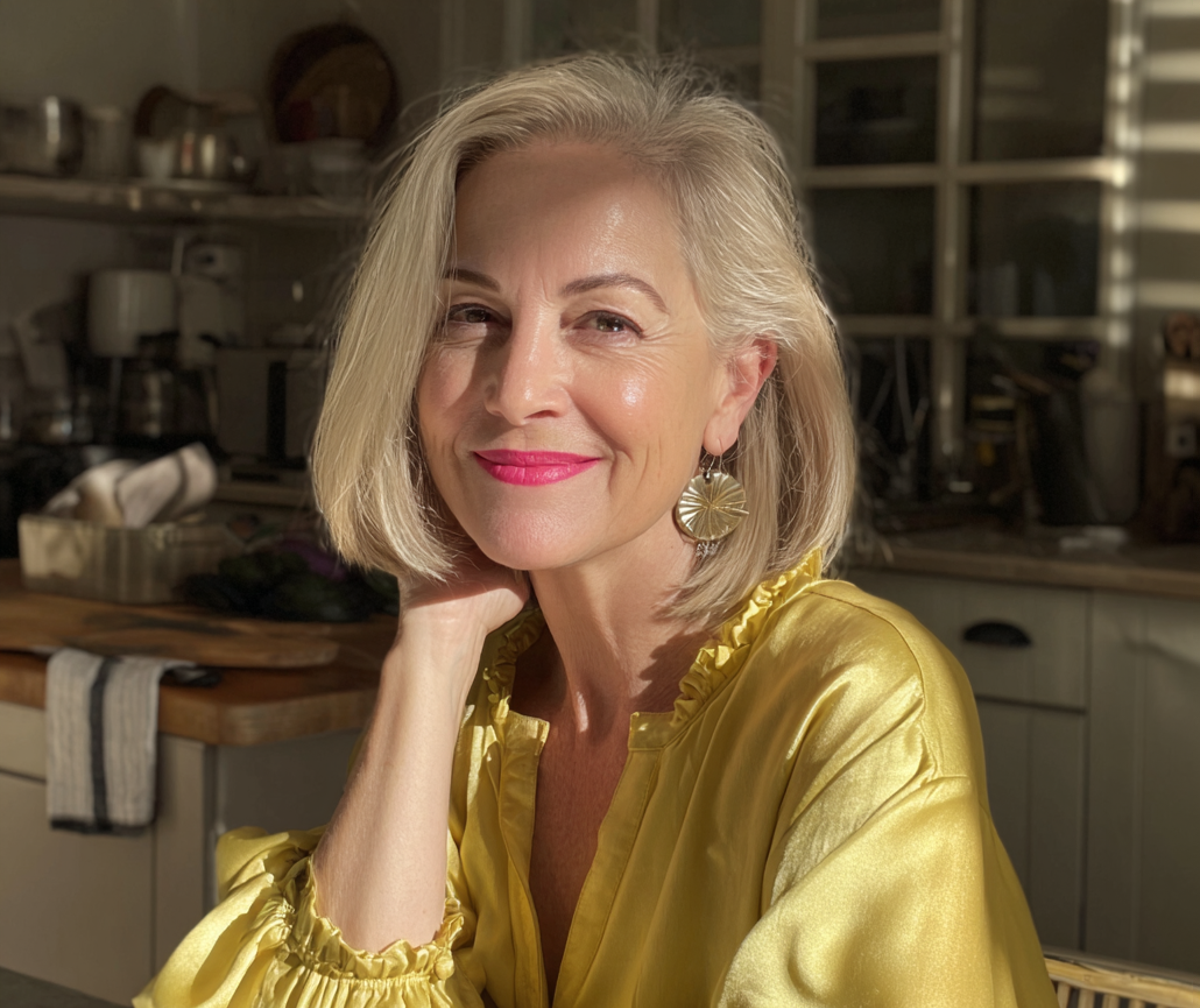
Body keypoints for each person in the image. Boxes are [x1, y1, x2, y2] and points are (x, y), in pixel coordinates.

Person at [137, 55, 1059, 1008]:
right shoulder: (474, 710)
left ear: (735, 385)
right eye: (471, 314)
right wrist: (433, 650)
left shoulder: (857, 701)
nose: (517, 387)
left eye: (607, 322)